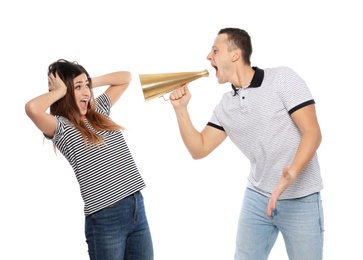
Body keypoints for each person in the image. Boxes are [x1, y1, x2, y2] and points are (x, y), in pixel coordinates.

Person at [169, 28, 324, 260]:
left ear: (235, 55)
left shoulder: (282, 78)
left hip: (301, 197)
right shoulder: (225, 106)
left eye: (215, 50)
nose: (208, 57)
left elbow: (312, 133)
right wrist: (181, 110)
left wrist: (288, 176)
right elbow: (199, 149)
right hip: (258, 196)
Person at [25, 59, 153, 260]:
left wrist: (88, 82)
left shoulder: (98, 110)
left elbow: (125, 77)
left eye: (87, 85)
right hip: (105, 218)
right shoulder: (61, 127)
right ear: (65, 92)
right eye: (77, 87)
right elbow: (32, 108)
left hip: (136, 206)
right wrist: (60, 91)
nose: (86, 92)